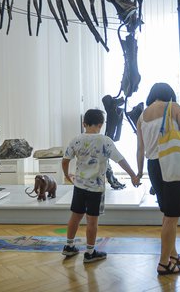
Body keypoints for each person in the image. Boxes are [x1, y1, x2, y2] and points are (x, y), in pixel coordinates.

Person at [61, 109, 140, 263]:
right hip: (95, 189)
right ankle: (90, 252)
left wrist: (66, 174)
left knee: (75, 217)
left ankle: (69, 246)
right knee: (92, 221)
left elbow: (65, 160)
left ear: (84, 124)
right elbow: (120, 160)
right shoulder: (105, 141)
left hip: (79, 187)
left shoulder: (76, 140)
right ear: (101, 124)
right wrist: (132, 175)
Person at [135, 82, 180, 275]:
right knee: (172, 217)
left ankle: (173, 255)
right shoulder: (173, 108)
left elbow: (140, 149)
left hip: (153, 166)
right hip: (172, 162)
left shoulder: (142, 116)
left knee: (168, 214)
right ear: (169, 94)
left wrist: (139, 172)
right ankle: (163, 263)